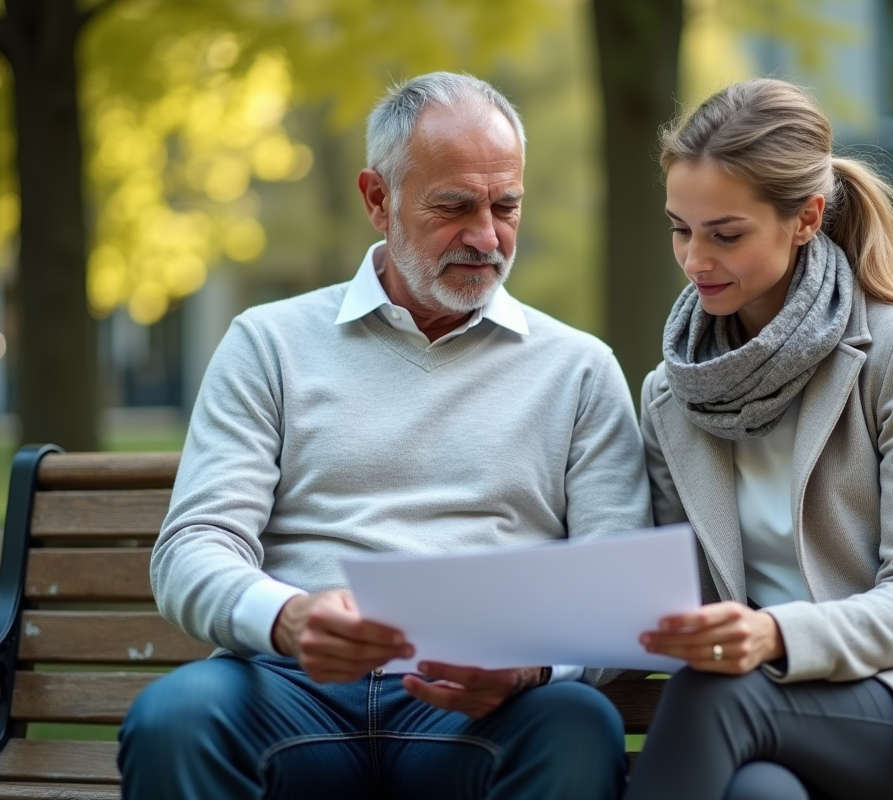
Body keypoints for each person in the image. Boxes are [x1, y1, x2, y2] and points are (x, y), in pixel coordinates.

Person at [117, 72, 652, 800]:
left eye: (506, 206)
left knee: (573, 722)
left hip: (482, 710)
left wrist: (531, 664)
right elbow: (192, 548)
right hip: (291, 686)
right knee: (175, 717)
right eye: (454, 207)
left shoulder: (580, 369)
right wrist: (288, 617)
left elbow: (613, 586)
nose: (486, 236)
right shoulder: (268, 342)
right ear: (378, 199)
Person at [625, 78, 893, 800]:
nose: (694, 260)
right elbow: (685, 594)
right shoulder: (671, 393)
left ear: (806, 218)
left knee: (713, 695)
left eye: (725, 234)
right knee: (759, 794)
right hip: (769, 720)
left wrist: (775, 637)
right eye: (680, 228)